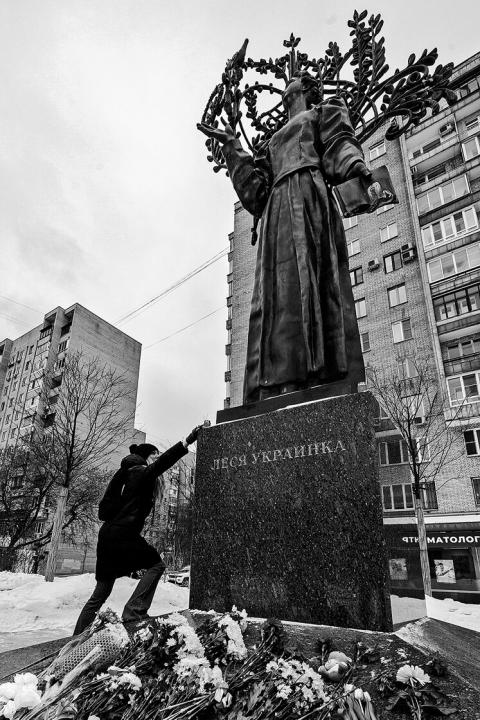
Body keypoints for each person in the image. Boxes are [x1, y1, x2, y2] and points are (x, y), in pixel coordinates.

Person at [198, 73, 382, 404]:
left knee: (310, 280)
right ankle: (276, 382)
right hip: (276, 213)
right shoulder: (269, 143)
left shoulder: (322, 112)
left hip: (309, 198)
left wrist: (361, 171)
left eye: (297, 79)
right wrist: (231, 146)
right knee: (277, 295)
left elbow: (340, 145)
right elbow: (255, 193)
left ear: (308, 89)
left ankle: (318, 372)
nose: (289, 84)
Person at [73, 428, 201, 634]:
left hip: (107, 536)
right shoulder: (140, 472)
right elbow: (162, 464)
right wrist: (187, 441)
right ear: (147, 458)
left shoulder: (122, 474)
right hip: (124, 535)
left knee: (101, 592)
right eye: (155, 455)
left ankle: (76, 636)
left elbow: (104, 512)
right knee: (156, 565)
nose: (157, 459)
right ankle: (133, 611)